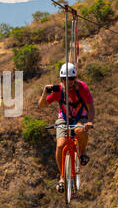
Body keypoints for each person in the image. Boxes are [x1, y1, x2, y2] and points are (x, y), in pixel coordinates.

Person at [38, 63, 95, 193]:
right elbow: (42, 105)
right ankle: (62, 177)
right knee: (60, 145)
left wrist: (90, 122)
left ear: (75, 78)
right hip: (64, 117)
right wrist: (44, 93)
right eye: (64, 79)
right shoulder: (59, 90)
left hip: (81, 115)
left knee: (79, 130)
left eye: (71, 79)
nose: (68, 82)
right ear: (61, 79)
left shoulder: (82, 88)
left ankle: (83, 151)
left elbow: (91, 107)